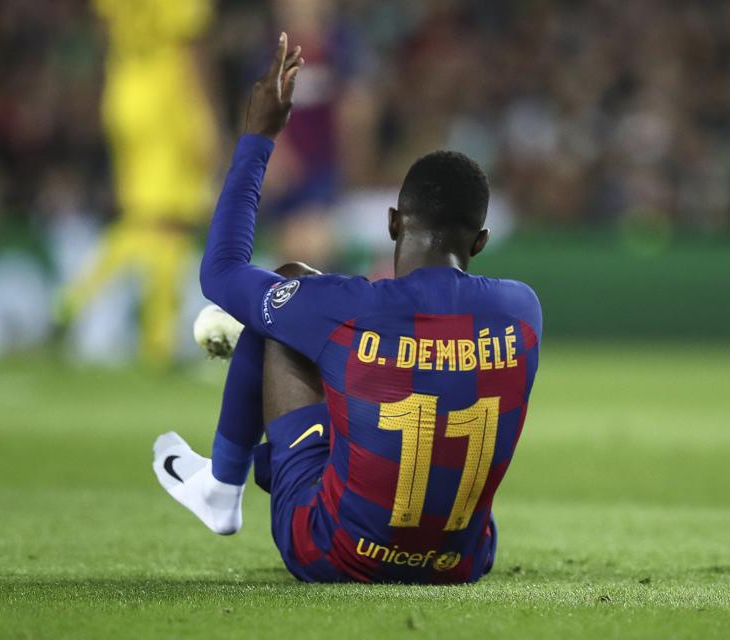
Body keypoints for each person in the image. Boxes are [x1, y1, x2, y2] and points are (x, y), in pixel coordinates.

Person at [153, 34, 542, 584]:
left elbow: (220, 273)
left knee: (284, 297)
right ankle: (252, 467)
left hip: (335, 553)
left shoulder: (347, 309)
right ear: (480, 242)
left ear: (393, 224)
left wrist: (257, 138)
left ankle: (223, 483)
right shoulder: (523, 311)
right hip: (459, 563)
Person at [58, 0, 218, 365]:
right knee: (170, 221)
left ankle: (151, 338)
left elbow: (103, 27)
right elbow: (190, 49)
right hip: (167, 98)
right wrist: (205, 117)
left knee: (148, 220)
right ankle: (90, 306)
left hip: (123, 92)